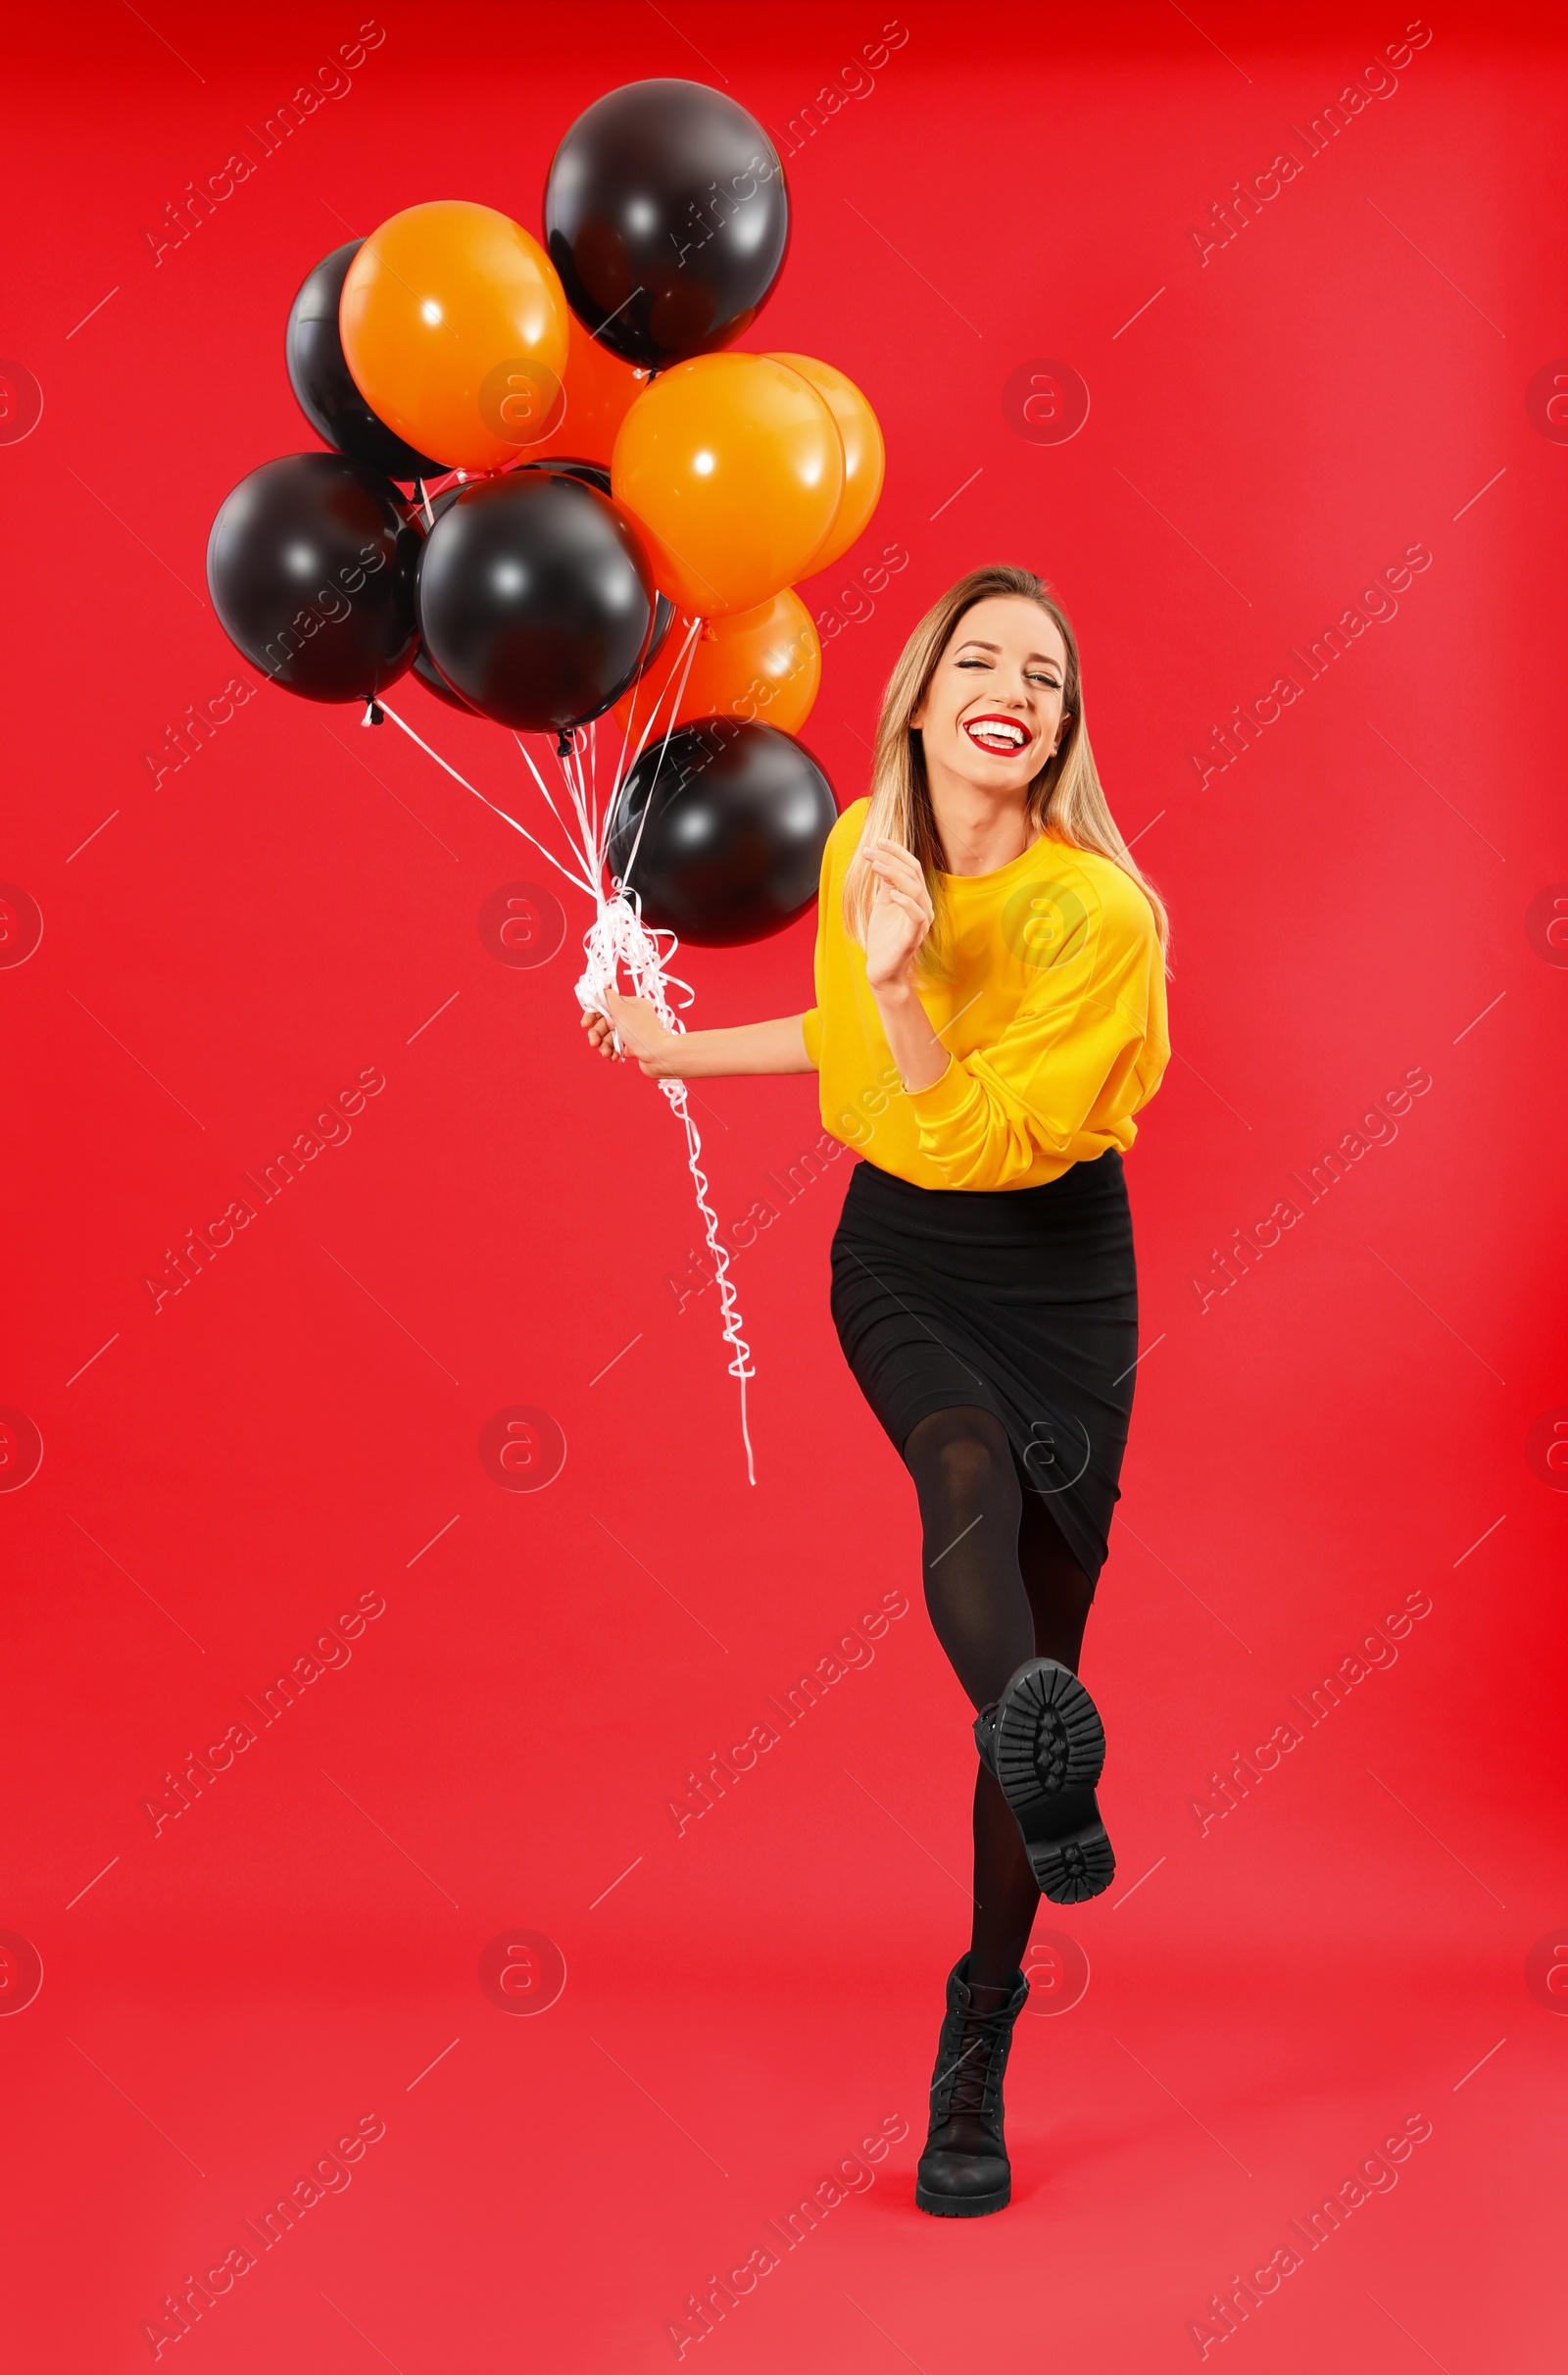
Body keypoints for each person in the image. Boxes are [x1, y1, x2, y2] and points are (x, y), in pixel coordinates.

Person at [582, 564, 1171, 2218]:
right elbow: (861, 1061)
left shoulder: (1097, 917)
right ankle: (1045, 1751)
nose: (1017, 689)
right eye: (981, 659)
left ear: (1058, 735)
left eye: (1046, 678)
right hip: (900, 1256)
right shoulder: (861, 851)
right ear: (919, 698)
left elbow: (984, 1135)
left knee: (1041, 1635)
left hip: (1054, 1263)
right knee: (962, 1467)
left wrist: (911, 984)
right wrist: (676, 1047)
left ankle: (974, 2043)